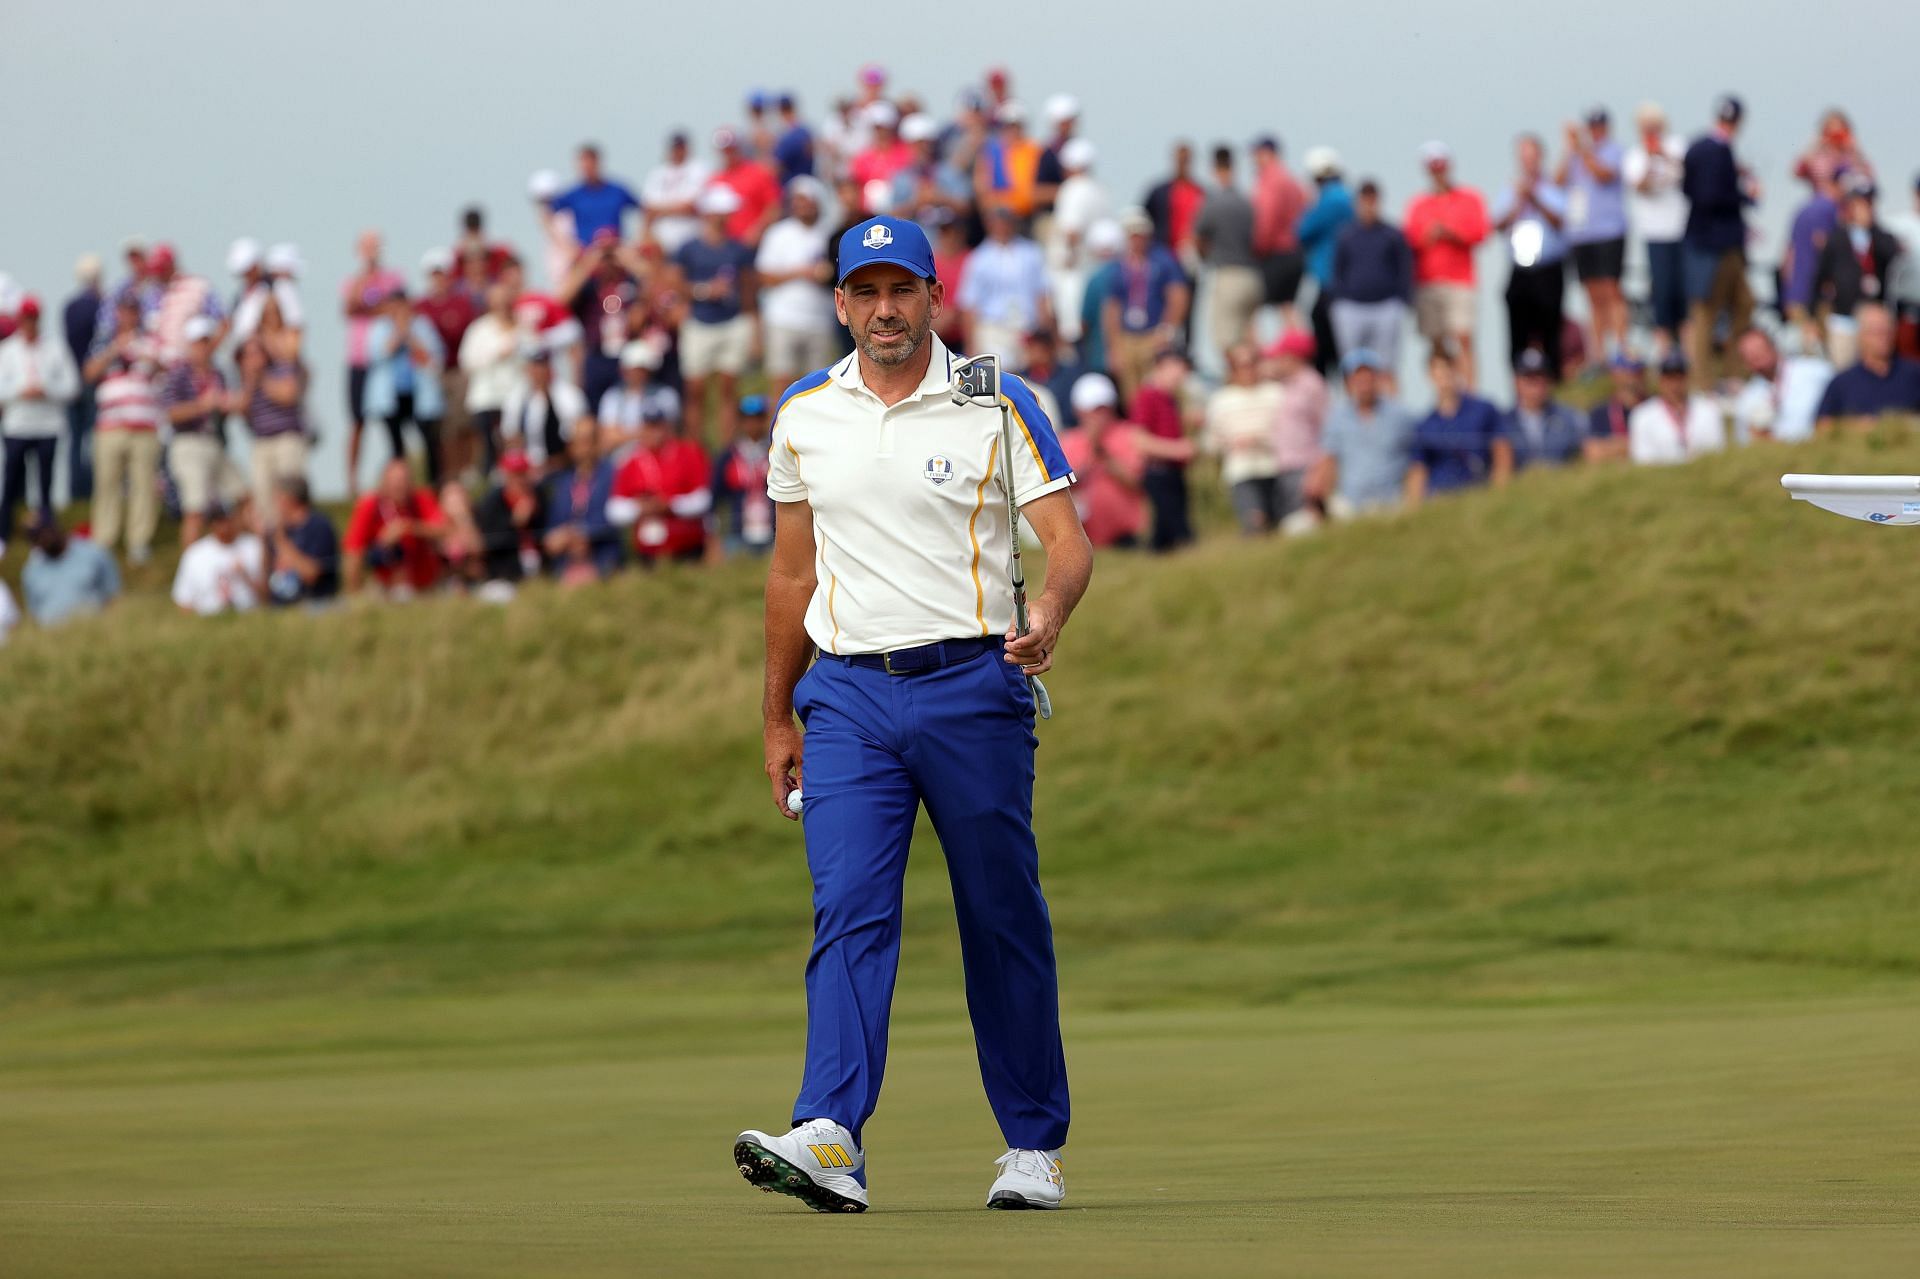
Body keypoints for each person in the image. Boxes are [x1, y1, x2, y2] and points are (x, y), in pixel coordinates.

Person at [742, 214, 1091, 1216]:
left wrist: (1051, 610)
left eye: (903, 290)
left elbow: (1066, 542)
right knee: (849, 906)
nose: (884, 309)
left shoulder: (997, 403)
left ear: (935, 298)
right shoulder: (805, 411)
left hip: (974, 686)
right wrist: (776, 716)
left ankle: (1032, 1143)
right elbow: (790, 572)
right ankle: (830, 1132)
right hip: (846, 694)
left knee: (999, 911)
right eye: (865, 292)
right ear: (841, 303)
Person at [672, 186, 759, 445]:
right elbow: (675, 284)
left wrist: (754, 327)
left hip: (732, 323)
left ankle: (726, 451)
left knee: (728, 389)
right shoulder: (689, 249)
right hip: (699, 323)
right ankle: (695, 452)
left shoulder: (738, 249)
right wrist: (704, 291)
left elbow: (747, 290)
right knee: (694, 390)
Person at [1681, 95, 1758, 387]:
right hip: (1717, 246)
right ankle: (1710, 378)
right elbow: (1709, 196)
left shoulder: (1698, 148)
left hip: (1707, 242)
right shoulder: (1719, 151)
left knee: (1738, 305)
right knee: (1708, 312)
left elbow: (1689, 189)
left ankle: (1729, 371)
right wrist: (1743, 196)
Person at [84, 295, 166, 561]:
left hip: (144, 424)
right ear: (117, 313)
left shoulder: (151, 341)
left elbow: (165, 370)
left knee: (144, 485)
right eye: (124, 310)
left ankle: (138, 541)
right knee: (107, 484)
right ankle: (104, 540)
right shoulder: (103, 341)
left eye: (133, 309)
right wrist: (114, 351)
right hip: (110, 425)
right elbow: (89, 373)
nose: (128, 315)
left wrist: (144, 354)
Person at [1405, 142, 1491, 388]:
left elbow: (1481, 233)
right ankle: (1444, 392)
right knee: (1436, 342)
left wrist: (1452, 234)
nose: (1437, 171)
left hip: (1461, 281)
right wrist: (1429, 236)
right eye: (1433, 167)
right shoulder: (1418, 204)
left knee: (1464, 338)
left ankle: (1471, 392)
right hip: (1428, 281)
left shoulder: (1469, 198)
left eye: (1440, 166)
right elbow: (1410, 240)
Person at [0, 296, 78, 554]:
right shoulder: (8, 350)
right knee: (10, 483)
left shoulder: (55, 347)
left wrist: (47, 389)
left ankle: (46, 538)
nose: (30, 323)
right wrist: (21, 390)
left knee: (45, 485)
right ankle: (4, 537)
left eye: (33, 318)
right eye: (26, 318)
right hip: (17, 425)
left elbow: (72, 386)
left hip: (48, 425)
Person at [1490, 133, 1571, 378]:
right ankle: (1519, 386)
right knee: (1517, 333)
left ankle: (1554, 383)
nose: (1527, 163)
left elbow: (1560, 220)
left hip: (1548, 269)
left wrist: (1534, 197)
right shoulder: (1510, 190)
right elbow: (1498, 224)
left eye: (1531, 157)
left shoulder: (1552, 189)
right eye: (1523, 158)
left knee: (1550, 330)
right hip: (1520, 270)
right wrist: (1519, 201)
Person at [1558, 107, 1629, 359]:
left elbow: (1602, 175)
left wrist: (1583, 148)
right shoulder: (1575, 156)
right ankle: (1599, 354)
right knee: (1592, 294)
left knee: (1612, 290)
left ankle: (1621, 347)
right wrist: (1569, 149)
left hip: (1609, 231)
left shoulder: (1614, 151)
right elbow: (1557, 181)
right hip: (1582, 234)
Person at [1310, 348, 1416, 518]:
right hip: (1351, 505)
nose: (1363, 382)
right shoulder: (1338, 418)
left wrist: (1414, 501)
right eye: (1357, 377)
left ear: (1377, 378)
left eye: (1368, 375)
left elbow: (1415, 461)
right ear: (1348, 382)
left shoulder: (1399, 416)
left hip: (1393, 501)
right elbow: (1329, 461)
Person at [757, 177, 839, 392]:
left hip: (820, 320)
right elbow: (765, 276)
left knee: (819, 389)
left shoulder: (830, 232)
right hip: (783, 318)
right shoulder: (778, 233)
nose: (802, 205)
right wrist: (802, 273)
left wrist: (825, 275)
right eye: (798, 200)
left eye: (807, 200)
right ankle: (777, 427)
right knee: (781, 384)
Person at [160, 315, 236, 547]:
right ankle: (190, 569)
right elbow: (171, 413)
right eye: (198, 342)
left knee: (242, 497)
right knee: (195, 508)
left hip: (214, 442)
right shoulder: (179, 374)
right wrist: (203, 405)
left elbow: (223, 410)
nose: (202, 347)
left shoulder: (218, 374)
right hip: (188, 443)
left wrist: (227, 406)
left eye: (206, 341)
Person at [1813, 177, 1904, 369]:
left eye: (1870, 203)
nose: (1866, 208)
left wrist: (1871, 229)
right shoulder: (1837, 239)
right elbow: (1820, 278)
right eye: (1861, 203)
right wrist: (1815, 316)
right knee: (1844, 368)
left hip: (1874, 321)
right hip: (1845, 320)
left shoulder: (1881, 236)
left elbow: (1894, 256)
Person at [1100, 208, 1188, 406]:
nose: (1136, 239)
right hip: (1128, 337)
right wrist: (1113, 346)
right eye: (1132, 234)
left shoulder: (1162, 260)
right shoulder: (1120, 265)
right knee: (1131, 395)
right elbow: (1112, 307)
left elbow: (1178, 296)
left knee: (1157, 389)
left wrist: (1167, 329)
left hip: (1153, 334)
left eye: (1140, 233)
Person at [341, 232, 404, 496]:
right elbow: (350, 307)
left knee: (392, 421)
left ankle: (399, 478)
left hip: (386, 361)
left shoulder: (394, 278)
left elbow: (398, 307)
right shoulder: (352, 281)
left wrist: (372, 307)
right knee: (358, 421)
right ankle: (352, 482)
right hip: (359, 359)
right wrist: (367, 281)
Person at [1329, 180, 1414, 377]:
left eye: (1372, 200)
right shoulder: (1346, 235)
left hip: (1386, 307)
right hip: (1351, 308)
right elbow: (1337, 270)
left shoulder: (1392, 235)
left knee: (1386, 367)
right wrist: (1338, 301)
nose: (1368, 206)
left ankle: (1389, 406)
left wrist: (1402, 301)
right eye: (1364, 201)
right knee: (1351, 368)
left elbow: (1404, 269)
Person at [1624, 103, 1690, 358]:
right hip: (1655, 234)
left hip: (1682, 230)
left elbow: (1689, 173)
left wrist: (1663, 154)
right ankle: (1665, 354)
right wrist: (1651, 160)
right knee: (1661, 294)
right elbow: (1639, 186)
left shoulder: (1677, 146)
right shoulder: (1635, 156)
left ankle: (1688, 353)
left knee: (1685, 294)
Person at [362, 290, 446, 484]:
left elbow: (432, 358)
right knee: (396, 446)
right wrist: (398, 333)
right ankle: (400, 484)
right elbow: (376, 355)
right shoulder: (380, 328)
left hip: (419, 394)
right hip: (390, 396)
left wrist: (409, 335)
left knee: (429, 441)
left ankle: (434, 484)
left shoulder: (422, 326)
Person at [559, 229, 647, 411]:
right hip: (597, 355)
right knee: (593, 409)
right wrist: (589, 261)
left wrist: (629, 259)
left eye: (611, 252)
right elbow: (561, 300)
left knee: (631, 409)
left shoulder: (631, 282)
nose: (608, 259)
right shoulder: (589, 286)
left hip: (627, 355)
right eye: (603, 253)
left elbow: (655, 283)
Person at [1406, 349, 1508, 505]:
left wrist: (1498, 495)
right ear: (1430, 375)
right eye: (1437, 370)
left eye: (1447, 368)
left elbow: (1501, 451)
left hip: (1479, 494)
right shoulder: (1425, 425)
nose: (1443, 376)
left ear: (1456, 369)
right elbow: (1418, 471)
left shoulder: (1483, 410)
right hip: (1439, 501)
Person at [1057, 372, 1148, 547]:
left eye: (1103, 409)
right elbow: (1064, 486)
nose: (1099, 416)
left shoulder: (1128, 434)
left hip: (1126, 535)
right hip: (1081, 536)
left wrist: (1106, 458)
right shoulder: (1068, 441)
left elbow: (1136, 482)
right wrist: (1091, 455)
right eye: (1093, 410)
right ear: (1079, 411)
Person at [609, 408, 711, 565]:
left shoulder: (688, 453)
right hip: (647, 552)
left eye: (657, 426)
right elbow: (614, 510)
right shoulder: (630, 461)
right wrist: (640, 508)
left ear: (667, 427)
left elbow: (703, 499)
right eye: (649, 427)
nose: (654, 432)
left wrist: (671, 505)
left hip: (687, 547)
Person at [958, 205, 1052, 370]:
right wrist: (970, 344)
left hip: (1027, 329)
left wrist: (1046, 332)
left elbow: (1042, 293)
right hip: (994, 329)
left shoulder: (1031, 253)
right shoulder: (979, 258)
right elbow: (969, 304)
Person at [1205, 344, 1286, 533]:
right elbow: (1210, 443)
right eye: (1241, 365)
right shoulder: (1220, 401)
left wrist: (1260, 439)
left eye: (1252, 363)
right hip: (1241, 471)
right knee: (1255, 523)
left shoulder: (1276, 393)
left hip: (1276, 467)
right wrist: (1231, 443)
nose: (1247, 369)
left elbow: (1289, 434)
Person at [237, 324, 312, 526]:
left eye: (256, 353)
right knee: (263, 497)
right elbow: (242, 409)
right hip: (261, 442)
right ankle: (273, 540)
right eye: (248, 354)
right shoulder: (246, 380)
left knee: (290, 492)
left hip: (287, 438)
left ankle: (296, 532)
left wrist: (261, 377)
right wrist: (250, 381)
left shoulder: (281, 368)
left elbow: (288, 395)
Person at [1194, 144, 1262, 360]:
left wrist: (1204, 258)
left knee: (1227, 342)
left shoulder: (1212, 203)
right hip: (1253, 276)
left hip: (1227, 275)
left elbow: (1197, 239)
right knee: (1250, 338)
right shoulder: (1248, 202)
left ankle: (1236, 383)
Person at [343, 457, 447, 596]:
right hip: (386, 588)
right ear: (384, 483)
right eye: (395, 482)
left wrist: (408, 528)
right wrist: (354, 594)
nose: (400, 486)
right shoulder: (369, 505)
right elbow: (353, 552)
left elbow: (445, 530)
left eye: (404, 481)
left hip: (426, 584)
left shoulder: (421, 499)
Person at [416, 249, 477, 477]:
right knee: (439, 428)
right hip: (431, 375)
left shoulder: (462, 304)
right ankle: (445, 473)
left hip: (457, 370)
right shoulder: (421, 306)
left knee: (461, 422)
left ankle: (465, 469)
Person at [1130, 348, 1197, 551]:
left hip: (1173, 472)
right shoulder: (1148, 396)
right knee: (1178, 533)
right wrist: (1177, 450)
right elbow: (1140, 441)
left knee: (1166, 537)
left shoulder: (1170, 399)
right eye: (1177, 368)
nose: (1181, 375)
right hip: (1159, 472)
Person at [1814, 304, 1920, 430]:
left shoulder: (1914, 375)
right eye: (1876, 332)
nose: (1883, 337)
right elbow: (1822, 426)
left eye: (1887, 330)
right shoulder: (1842, 383)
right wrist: (1858, 426)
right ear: (1861, 335)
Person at [1297, 147, 1355, 378]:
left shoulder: (1329, 201)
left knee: (1324, 347)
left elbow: (1302, 231)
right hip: (1346, 283)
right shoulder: (1350, 199)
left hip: (1330, 283)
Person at [1044, 139, 1110, 342]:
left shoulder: (1073, 189)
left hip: (1072, 270)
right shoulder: (1099, 190)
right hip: (1093, 267)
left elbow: (1072, 230)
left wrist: (1068, 258)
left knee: (1070, 332)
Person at [541, 421, 624, 581]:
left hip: (602, 558)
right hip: (567, 563)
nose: (582, 448)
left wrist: (581, 533)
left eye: (587, 441)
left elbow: (615, 515)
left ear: (597, 444)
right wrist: (554, 538)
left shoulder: (612, 475)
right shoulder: (563, 482)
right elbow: (553, 523)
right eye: (577, 442)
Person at [457, 282, 521, 472]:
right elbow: (467, 362)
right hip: (487, 399)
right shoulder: (478, 329)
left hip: (515, 397)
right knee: (488, 449)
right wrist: (497, 353)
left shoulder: (522, 326)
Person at [1730, 328, 1832, 445]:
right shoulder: (1748, 399)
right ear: (1745, 363)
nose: (1757, 356)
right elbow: (1744, 443)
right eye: (1750, 354)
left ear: (1773, 346)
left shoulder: (1814, 371)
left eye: (1760, 349)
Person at [500, 348, 589, 473]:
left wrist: (551, 464)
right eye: (534, 367)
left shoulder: (568, 396)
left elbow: (575, 439)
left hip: (560, 466)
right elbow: (510, 436)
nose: (537, 372)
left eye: (541, 367)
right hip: (526, 468)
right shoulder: (518, 398)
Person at [22, 511, 119, 625]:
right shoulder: (31, 572)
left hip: (92, 630)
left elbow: (114, 598)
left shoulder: (94, 553)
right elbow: (34, 615)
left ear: (56, 527)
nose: (43, 539)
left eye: (45, 532)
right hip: (51, 637)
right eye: (35, 536)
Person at [1251, 136, 1308, 330]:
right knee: (1287, 306)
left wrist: (1258, 247)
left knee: (1251, 305)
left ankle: (1256, 357)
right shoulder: (1292, 181)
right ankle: (1297, 347)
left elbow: (1267, 218)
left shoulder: (1270, 180)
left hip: (1276, 253)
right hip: (1296, 253)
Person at [171, 500, 266, 616]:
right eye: (219, 520)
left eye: (228, 519)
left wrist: (245, 575)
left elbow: (267, 598)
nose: (225, 525)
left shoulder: (254, 546)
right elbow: (184, 601)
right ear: (211, 524)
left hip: (249, 613)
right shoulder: (195, 554)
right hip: (209, 617)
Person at [1629, 352, 1726, 464]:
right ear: (1660, 380)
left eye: (1679, 378)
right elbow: (1643, 462)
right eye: (1669, 378)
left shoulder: (1708, 410)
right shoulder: (1642, 416)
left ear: (1687, 378)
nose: (1674, 384)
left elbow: (1717, 453)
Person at [1499, 348, 1587, 470]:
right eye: (1529, 379)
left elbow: (1585, 454)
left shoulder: (1570, 418)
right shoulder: (1503, 423)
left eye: (1540, 377)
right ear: (1516, 382)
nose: (1536, 385)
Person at [711, 394, 776, 556]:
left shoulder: (774, 452)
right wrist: (713, 538)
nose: (752, 424)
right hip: (737, 534)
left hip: (774, 534)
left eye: (757, 418)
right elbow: (714, 497)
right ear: (740, 422)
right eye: (747, 419)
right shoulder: (728, 456)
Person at [61, 253, 103, 501]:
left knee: (76, 440)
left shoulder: (69, 307)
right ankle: (88, 489)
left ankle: (76, 490)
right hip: (92, 380)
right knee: (90, 438)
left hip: (72, 380)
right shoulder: (99, 305)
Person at [474, 450, 548, 584]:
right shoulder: (493, 502)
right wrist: (514, 522)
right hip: (506, 573)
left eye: (522, 473)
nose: (519, 480)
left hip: (541, 569)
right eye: (515, 474)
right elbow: (489, 543)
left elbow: (545, 533)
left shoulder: (539, 495)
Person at [598, 341, 682, 459]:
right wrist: (644, 432)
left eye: (640, 369)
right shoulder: (612, 397)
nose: (636, 373)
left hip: (657, 462)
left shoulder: (666, 396)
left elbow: (669, 435)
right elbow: (608, 439)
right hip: (620, 463)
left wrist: (623, 434)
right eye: (632, 369)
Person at [549, 142, 640, 247]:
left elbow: (644, 210)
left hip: (615, 249)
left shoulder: (617, 191)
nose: (587, 168)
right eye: (583, 164)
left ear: (598, 163)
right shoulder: (573, 195)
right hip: (586, 251)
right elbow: (548, 212)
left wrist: (638, 238)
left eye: (590, 163)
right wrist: (566, 244)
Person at [266, 476, 339, 604]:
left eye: (277, 498)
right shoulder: (279, 530)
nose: (274, 504)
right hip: (279, 609)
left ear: (290, 499)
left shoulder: (319, 526)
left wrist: (282, 543)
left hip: (314, 605)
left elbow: (311, 574)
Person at [642, 131, 712, 257]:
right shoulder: (657, 173)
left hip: (690, 238)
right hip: (661, 241)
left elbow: (691, 206)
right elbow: (648, 209)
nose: (677, 151)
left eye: (681, 147)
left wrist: (660, 209)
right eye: (675, 147)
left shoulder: (698, 169)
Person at [710, 127, 784, 246]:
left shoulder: (759, 173)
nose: (728, 154)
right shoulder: (715, 180)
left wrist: (758, 230)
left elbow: (774, 208)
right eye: (725, 150)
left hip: (754, 243)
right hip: (726, 247)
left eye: (731, 149)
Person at [1142, 141, 1206, 270]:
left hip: (1191, 257)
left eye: (1185, 160)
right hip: (1163, 254)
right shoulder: (1159, 192)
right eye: (1179, 160)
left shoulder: (1199, 193)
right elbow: (1144, 218)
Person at [1585, 355, 1643, 462]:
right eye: (1627, 372)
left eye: (1637, 372)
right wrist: (1636, 445)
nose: (1633, 378)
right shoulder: (1600, 413)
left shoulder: (1653, 407)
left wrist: (1613, 446)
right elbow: (1594, 452)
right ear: (1615, 375)